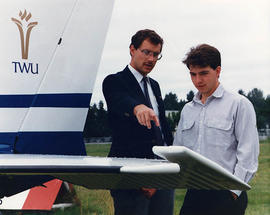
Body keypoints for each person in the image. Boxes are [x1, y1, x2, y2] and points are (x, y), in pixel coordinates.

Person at [173, 44, 259, 215]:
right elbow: (178, 151)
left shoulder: (239, 104)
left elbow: (248, 154)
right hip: (194, 194)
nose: (198, 80)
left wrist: (233, 193)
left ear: (218, 70)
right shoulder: (187, 110)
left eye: (204, 73)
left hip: (226, 193)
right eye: (193, 74)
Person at [102, 29, 174, 215]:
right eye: (146, 52)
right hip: (131, 179)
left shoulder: (155, 85)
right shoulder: (114, 81)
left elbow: (162, 129)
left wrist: (169, 166)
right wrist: (137, 107)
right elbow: (119, 100)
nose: (151, 59)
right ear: (132, 50)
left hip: (162, 175)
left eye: (156, 54)